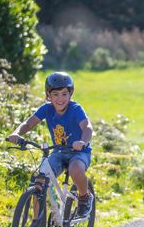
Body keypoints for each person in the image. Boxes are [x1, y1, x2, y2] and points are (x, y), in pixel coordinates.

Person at [7, 72, 94, 218]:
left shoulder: (76, 109)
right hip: (59, 152)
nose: (60, 99)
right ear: (48, 95)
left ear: (70, 94)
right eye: (56, 94)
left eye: (64, 94)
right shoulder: (46, 109)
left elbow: (87, 127)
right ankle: (36, 225)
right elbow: (28, 123)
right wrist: (16, 134)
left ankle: (85, 196)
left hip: (79, 152)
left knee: (75, 168)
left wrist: (82, 142)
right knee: (39, 182)